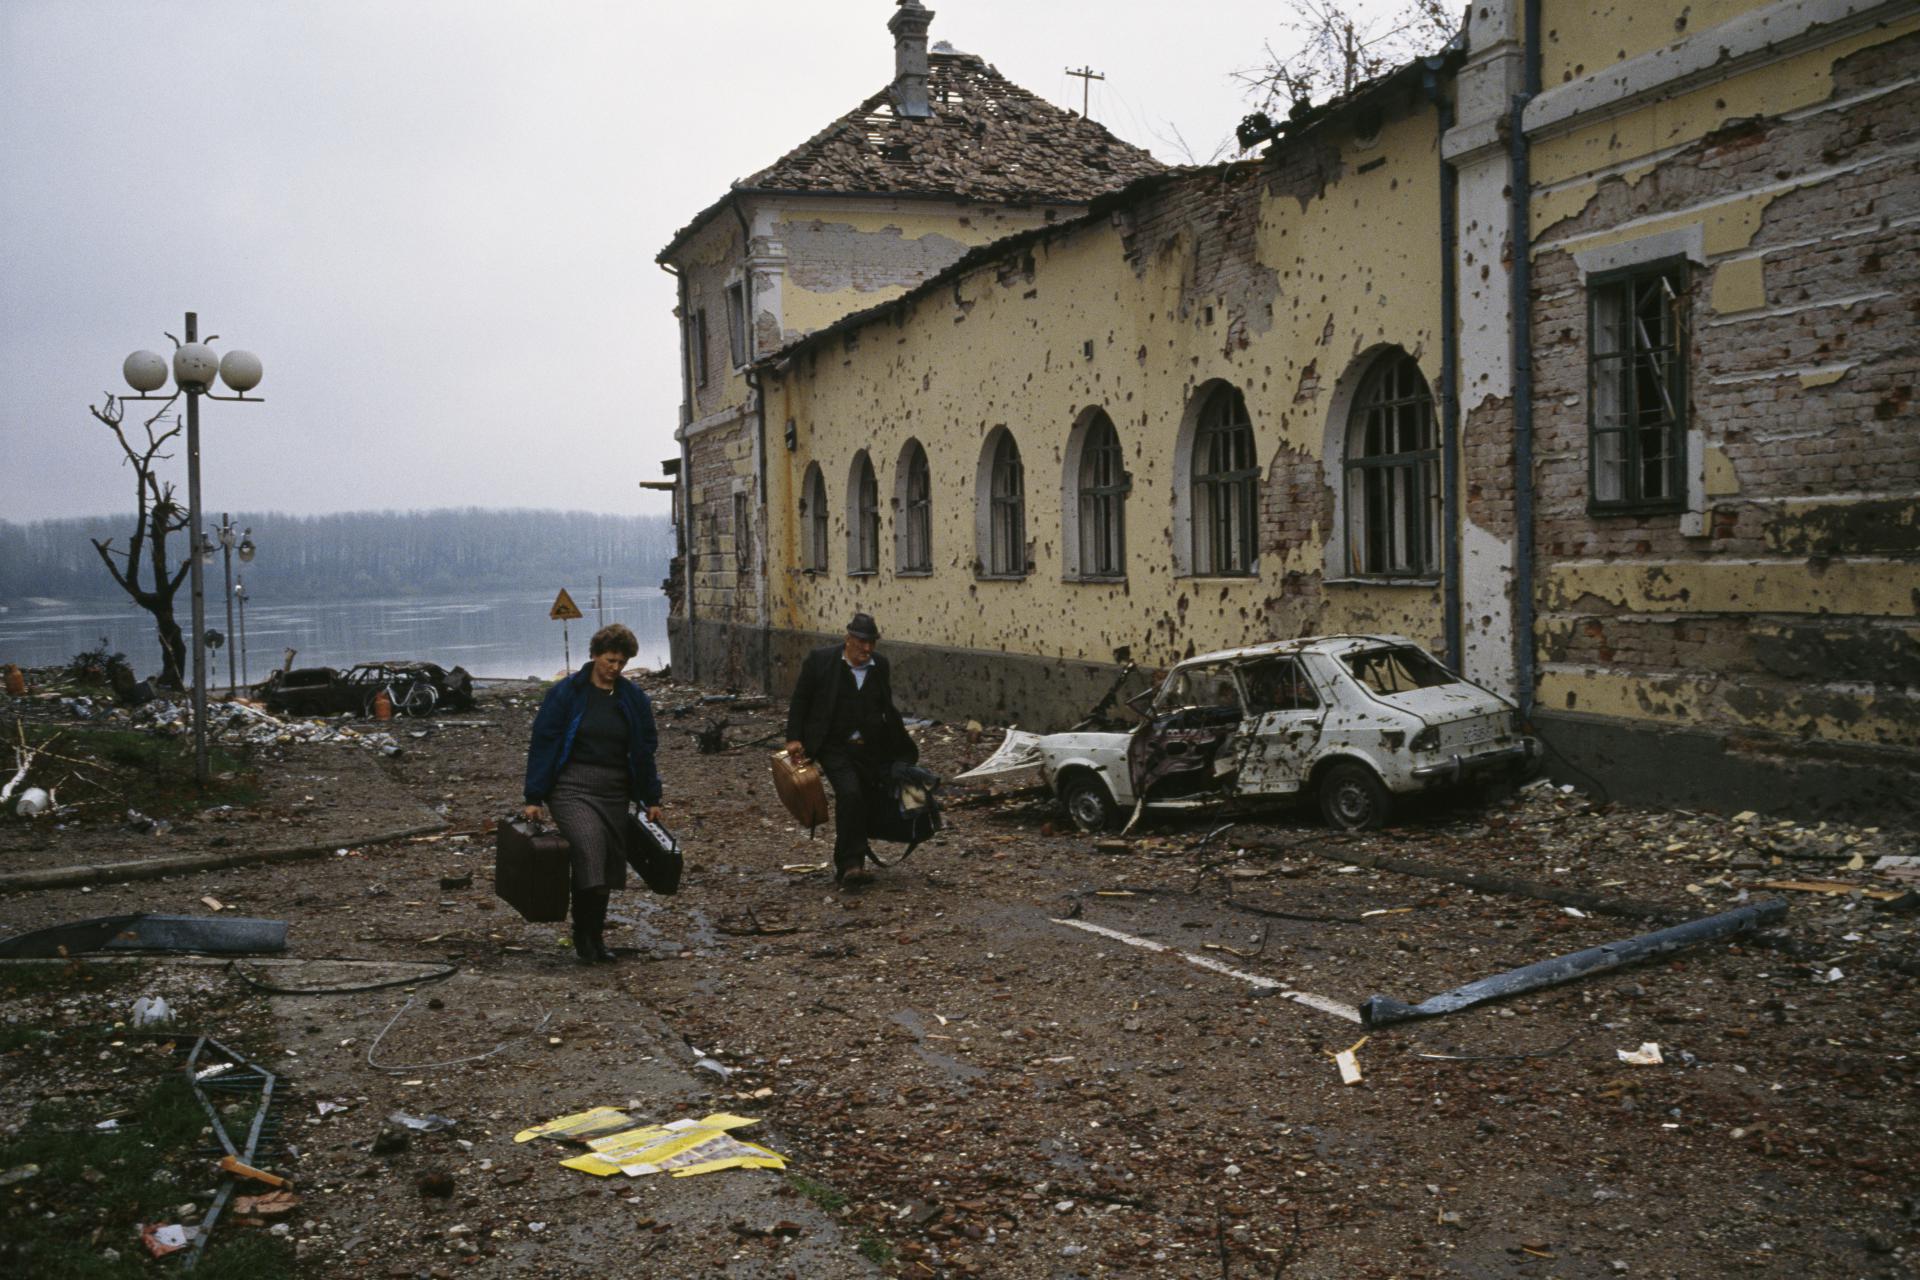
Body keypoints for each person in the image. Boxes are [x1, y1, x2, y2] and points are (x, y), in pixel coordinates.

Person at [523, 623, 662, 963]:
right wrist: (534, 796)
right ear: (596, 655)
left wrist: (652, 797)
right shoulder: (568, 693)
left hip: (615, 790)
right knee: (589, 848)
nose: (616, 668)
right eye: (611, 660)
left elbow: (644, 750)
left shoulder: (632, 698)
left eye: (622, 663)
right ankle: (582, 937)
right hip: (572, 787)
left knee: (608, 864)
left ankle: (595, 937)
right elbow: (544, 741)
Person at [784, 612, 918, 887]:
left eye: (871, 643)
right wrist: (794, 738)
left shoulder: (879, 665)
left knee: (865, 797)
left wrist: (898, 749)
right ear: (848, 639)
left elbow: (885, 707)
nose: (866, 649)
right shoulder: (820, 661)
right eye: (861, 642)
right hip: (832, 745)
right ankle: (850, 865)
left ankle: (854, 858)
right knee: (850, 793)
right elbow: (801, 700)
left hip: (869, 746)